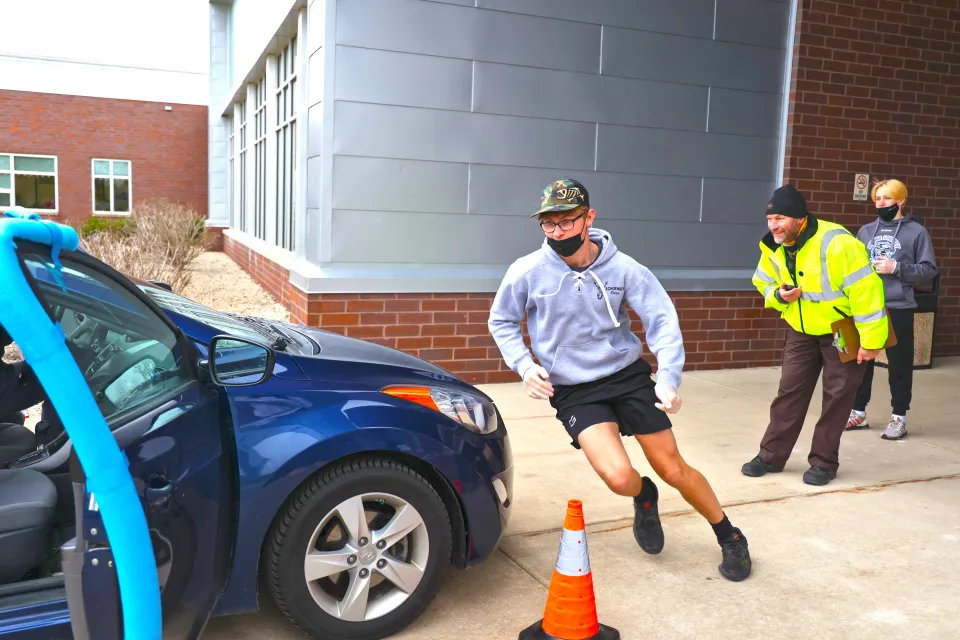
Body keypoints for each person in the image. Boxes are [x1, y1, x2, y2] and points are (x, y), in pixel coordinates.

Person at [488, 178, 752, 582]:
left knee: (673, 469)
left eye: (566, 222)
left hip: (626, 376)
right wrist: (525, 366)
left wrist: (668, 378)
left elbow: (661, 320)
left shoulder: (625, 268)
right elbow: (502, 321)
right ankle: (644, 498)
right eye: (549, 224)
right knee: (618, 477)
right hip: (575, 389)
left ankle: (730, 535)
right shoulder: (527, 271)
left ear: (588, 218)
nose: (557, 232)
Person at [742, 183, 888, 486]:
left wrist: (872, 342)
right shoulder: (773, 246)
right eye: (770, 219)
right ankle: (770, 456)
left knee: (838, 396)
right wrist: (779, 295)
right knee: (789, 392)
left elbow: (867, 292)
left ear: (800, 219)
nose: (774, 226)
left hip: (841, 328)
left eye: (780, 219)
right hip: (802, 327)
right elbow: (762, 281)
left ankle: (823, 462)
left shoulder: (837, 243)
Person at [846, 179, 937, 440]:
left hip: (899, 306)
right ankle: (858, 413)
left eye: (886, 198)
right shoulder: (864, 231)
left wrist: (896, 268)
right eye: (877, 198)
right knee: (862, 360)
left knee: (899, 364)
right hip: (867, 306)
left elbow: (929, 270)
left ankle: (899, 418)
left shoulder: (916, 232)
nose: (880, 203)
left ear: (900, 201)